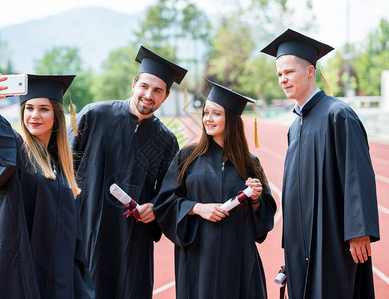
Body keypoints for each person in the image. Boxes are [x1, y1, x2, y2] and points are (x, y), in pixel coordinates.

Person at [261, 28, 380, 298]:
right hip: (300, 244)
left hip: (333, 238)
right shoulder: (295, 126)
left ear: (310, 71)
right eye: (279, 74)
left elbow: (357, 174)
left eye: (289, 72)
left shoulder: (338, 115)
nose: (283, 79)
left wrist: (359, 231)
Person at [69, 45, 187, 298]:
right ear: (134, 84)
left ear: (165, 97)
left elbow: (167, 194)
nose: (149, 95)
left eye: (158, 90)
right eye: (144, 86)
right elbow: (63, 167)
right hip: (85, 226)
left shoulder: (166, 141)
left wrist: (154, 208)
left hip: (131, 237)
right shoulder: (94, 115)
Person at [154, 79, 277, 299]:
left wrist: (256, 199)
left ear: (230, 119)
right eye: (206, 113)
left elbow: (263, 226)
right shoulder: (187, 157)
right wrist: (197, 208)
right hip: (198, 256)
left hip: (238, 256)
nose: (208, 119)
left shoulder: (250, 163)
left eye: (216, 114)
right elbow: (164, 203)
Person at [0, 72, 87, 298]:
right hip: (19, 280)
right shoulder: (16, 153)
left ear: (57, 116)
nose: (35, 115)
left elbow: (72, 240)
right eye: (29, 108)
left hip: (58, 282)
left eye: (44, 109)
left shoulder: (60, 168)